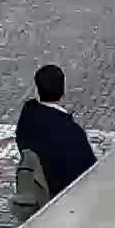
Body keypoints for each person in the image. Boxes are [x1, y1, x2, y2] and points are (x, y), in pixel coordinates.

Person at [15, 64, 99, 196]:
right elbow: (90, 172)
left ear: (37, 90)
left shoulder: (28, 114)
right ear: (63, 92)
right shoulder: (73, 133)